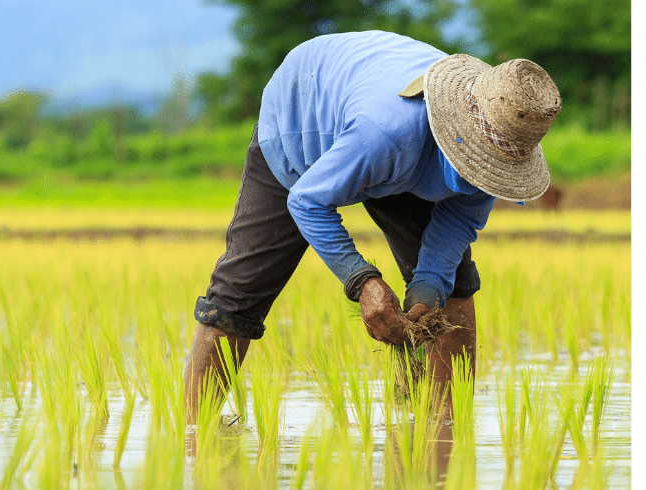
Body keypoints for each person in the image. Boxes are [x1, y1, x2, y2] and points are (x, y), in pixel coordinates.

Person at [183, 30, 561, 422]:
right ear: (456, 137)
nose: (484, 176)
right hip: (304, 119)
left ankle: (443, 429)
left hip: (400, 149)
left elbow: (461, 216)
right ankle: (193, 432)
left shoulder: (502, 141)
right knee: (238, 296)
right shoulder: (386, 133)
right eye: (478, 164)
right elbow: (308, 200)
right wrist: (362, 281)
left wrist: (429, 283)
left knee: (451, 290)